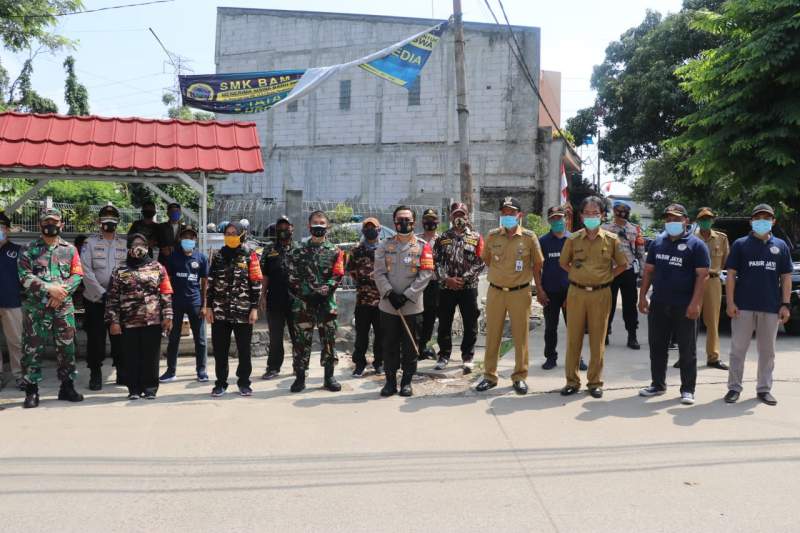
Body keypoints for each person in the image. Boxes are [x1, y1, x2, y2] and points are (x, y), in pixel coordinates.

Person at [638, 204, 710, 405]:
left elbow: (702, 277)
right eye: (668, 219)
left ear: (686, 221)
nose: (672, 223)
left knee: (687, 349)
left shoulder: (697, 245)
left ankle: (688, 389)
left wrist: (695, 304)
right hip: (659, 303)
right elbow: (649, 271)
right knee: (657, 346)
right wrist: (642, 296)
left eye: (676, 219)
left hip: (684, 305)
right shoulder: (658, 243)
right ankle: (657, 384)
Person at [723, 204, 793, 406]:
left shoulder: (780, 246)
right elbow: (731, 275)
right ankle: (734, 388)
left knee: (767, 352)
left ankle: (764, 389)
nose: (762, 220)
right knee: (738, 349)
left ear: (773, 221)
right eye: (758, 217)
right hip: (743, 307)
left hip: (771, 307)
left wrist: (785, 304)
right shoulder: (740, 244)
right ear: (751, 221)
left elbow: (786, 277)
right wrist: (730, 301)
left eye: (767, 217)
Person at [559, 196, 628, 398]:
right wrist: (578, 275)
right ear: (581, 216)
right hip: (577, 293)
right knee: (574, 339)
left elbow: (622, 265)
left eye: (595, 213)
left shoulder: (612, 239)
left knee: (598, 339)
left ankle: (595, 382)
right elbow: (564, 263)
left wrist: (606, 277)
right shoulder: (572, 239)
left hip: (601, 294)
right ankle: (571, 381)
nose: (591, 217)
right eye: (587, 213)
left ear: (602, 215)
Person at [475, 197, 544, 395]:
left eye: (511, 213)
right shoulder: (492, 235)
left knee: (520, 336)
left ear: (519, 215)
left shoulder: (529, 238)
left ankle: (520, 376)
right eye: (504, 213)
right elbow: (487, 260)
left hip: (520, 292)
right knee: (493, 334)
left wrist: (537, 287)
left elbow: (538, 264)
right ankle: (489, 375)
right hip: (496, 291)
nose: (507, 216)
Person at [18, 208, 85, 408]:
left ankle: (67, 387)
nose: (51, 225)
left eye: (55, 222)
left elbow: (77, 274)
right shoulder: (28, 249)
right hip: (36, 308)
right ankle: (31, 391)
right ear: (40, 225)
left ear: (61, 225)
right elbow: (25, 276)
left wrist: (61, 292)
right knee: (32, 348)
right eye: (47, 222)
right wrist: (50, 290)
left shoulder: (70, 249)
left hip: (62, 307)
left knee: (66, 348)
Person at [373, 206, 434, 396]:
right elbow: (379, 272)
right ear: (394, 222)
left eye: (407, 219)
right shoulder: (384, 245)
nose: (404, 223)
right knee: (389, 345)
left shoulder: (423, 246)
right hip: (389, 306)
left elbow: (426, 273)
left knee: (410, 346)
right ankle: (390, 382)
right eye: (400, 219)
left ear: (414, 222)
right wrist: (389, 293)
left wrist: (408, 294)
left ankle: (407, 381)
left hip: (412, 306)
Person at [106, 233, 173, 400]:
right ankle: (134, 389)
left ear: (147, 247)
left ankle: (150, 388)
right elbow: (112, 298)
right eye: (134, 244)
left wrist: (168, 316)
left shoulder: (158, 267)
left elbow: (166, 293)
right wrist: (113, 321)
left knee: (151, 356)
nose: (138, 247)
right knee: (131, 356)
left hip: (153, 320)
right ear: (128, 248)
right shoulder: (119, 270)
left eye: (142, 243)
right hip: (128, 322)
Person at [287, 211, 345, 393]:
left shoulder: (335, 251)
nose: (318, 225)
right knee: (301, 342)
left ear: (327, 226)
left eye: (322, 223)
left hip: (326, 304)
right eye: (315, 222)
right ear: (309, 226)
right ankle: (300, 377)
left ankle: (329, 377)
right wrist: (307, 295)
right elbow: (291, 275)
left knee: (328, 341)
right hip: (304, 303)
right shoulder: (298, 250)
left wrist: (324, 292)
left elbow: (338, 274)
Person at [205, 221, 262, 397]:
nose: (230, 236)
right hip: (220, 311)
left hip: (243, 311)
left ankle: (244, 382)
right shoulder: (217, 256)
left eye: (233, 233)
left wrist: (254, 308)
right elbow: (211, 283)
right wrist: (208, 307)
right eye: (227, 233)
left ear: (241, 235)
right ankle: (220, 383)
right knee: (220, 350)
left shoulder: (250, 255)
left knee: (244, 349)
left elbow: (256, 283)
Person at [432, 202, 484, 373]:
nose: (459, 218)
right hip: (446, 288)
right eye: (456, 214)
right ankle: (444, 355)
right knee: (445, 322)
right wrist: (447, 279)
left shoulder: (476, 237)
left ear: (467, 216)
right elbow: (436, 261)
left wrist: (463, 279)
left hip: (468, 288)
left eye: (462, 214)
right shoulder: (442, 238)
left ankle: (468, 356)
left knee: (470, 322)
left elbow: (480, 262)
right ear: (451, 216)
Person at [80, 204, 127, 391]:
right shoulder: (89, 243)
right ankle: (96, 373)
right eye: (105, 219)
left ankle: (122, 371)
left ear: (117, 221)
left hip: (118, 301)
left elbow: (127, 270)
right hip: (95, 300)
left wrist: (115, 294)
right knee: (96, 340)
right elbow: (85, 270)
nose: (109, 222)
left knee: (120, 338)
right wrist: (102, 292)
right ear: (100, 222)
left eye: (113, 219)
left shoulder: (124, 244)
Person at [538, 206, 587, 371]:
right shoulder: (543, 241)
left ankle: (577, 358)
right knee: (550, 328)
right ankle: (550, 357)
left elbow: (579, 267)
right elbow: (536, 267)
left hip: (571, 291)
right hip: (550, 292)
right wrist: (540, 290)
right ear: (549, 221)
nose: (557, 221)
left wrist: (575, 290)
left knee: (574, 328)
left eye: (560, 218)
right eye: (554, 218)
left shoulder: (574, 240)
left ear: (565, 219)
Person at [161, 225, 209, 383]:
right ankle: (171, 371)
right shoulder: (172, 258)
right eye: (185, 237)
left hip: (195, 302)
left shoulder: (201, 258)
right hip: (176, 303)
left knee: (200, 339)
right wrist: (166, 305)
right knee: (173, 338)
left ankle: (201, 371)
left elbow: (205, 283)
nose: (188, 240)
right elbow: (166, 282)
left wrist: (204, 305)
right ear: (180, 239)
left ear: (195, 239)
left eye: (191, 237)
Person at [691, 207, 730, 370]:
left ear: (713, 220)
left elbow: (725, 261)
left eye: (708, 218)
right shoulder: (691, 238)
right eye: (702, 219)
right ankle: (687, 356)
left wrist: (714, 272)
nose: (706, 221)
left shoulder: (721, 238)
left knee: (713, 321)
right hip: (694, 281)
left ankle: (713, 357)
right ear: (698, 221)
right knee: (690, 320)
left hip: (713, 281)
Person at [602, 200, 645, 349]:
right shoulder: (605, 228)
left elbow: (640, 251)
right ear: (614, 211)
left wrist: (642, 272)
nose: (622, 214)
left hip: (628, 271)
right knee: (608, 304)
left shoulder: (635, 229)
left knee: (630, 305)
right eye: (619, 210)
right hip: (611, 271)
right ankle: (605, 333)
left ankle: (632, 335)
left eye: (625, 211)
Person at [259, 216, 297, 379]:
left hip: (296, 299)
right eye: (280, 228)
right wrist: (262, 296)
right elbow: (265, 275)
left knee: (298, 335)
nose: (283, 231)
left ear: (292, 228)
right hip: (274, 299)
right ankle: (273, 367)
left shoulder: (299, 249)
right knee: (275, 336)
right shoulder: (269, 250)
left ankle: (300, 366)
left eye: (286, 227)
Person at [346, 217, 384, 377]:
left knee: (381, 334)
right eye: (367, 227)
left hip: (382, 300)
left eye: (373, 227)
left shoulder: (385, 249)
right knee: (361, 334)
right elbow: (351, 271)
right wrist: (365, 281)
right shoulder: (356, 250)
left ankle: (379, 363)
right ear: (363, 230)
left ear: (379, 229)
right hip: (362, 300)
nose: (370, 230)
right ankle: (359, 364)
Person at [0, 212, 24, 391]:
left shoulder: (17, 251)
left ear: (7, 230)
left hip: (12, 302)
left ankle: (20, 375)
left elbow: (26, 277)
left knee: (16, 341)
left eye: (1, 227)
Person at [417, 208, 440, 360]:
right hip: (418, 284)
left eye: (432, 219)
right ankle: (416, 347)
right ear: (422, 221)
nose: (429, 222)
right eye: (427, 219)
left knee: (430, 317)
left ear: (437, 222)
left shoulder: (441, 240)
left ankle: (424, 346)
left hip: (434, 284)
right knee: (418, 317)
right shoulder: (416, 240)